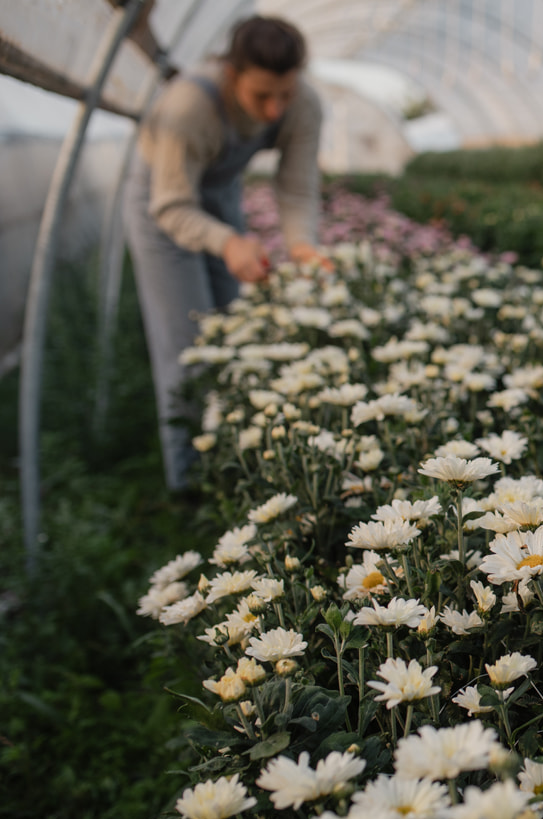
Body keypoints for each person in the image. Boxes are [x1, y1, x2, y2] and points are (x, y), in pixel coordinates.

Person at [123, 15, 324, 491]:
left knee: (229, 329)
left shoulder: (305, 104)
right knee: (188, 345)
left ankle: (231, 462)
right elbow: (171, 205)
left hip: (219, 196)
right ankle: (189, 486)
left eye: (285, 94)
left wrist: (302, 247)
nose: (275, 110)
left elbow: (296, 189)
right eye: (261, 97)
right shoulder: (188, 106)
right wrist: (228, 242)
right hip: (164, 206)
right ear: (231, 74)